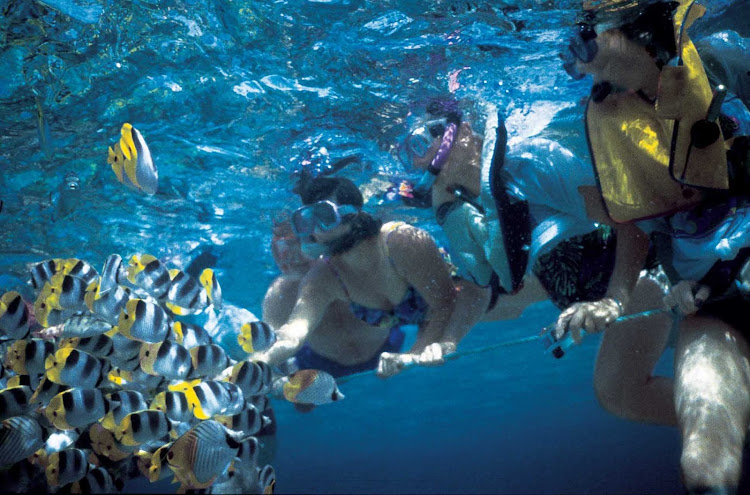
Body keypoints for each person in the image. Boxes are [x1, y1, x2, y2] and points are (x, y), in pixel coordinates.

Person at [556, 1, 750, 492]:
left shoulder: (727, 68)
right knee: (705, 460)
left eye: (586, 34)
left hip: (724, 281)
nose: (575, 55)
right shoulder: (609, 115)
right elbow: (634, 226)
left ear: (634, 29)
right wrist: (613, 301)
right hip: (711, 299)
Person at [398, 99, 675, 424]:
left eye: (420, 143)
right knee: (618, 395)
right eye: (407, 154)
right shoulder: (463, 214)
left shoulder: (531, 162)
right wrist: (447, 342)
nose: (417, 162)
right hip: (617, 309)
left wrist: (613, 300)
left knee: (617, 392)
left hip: (654, 282)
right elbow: (477, 289)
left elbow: (629, 221)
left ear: (462, 132)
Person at [252, 175, 458, 378]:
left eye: (324, 216)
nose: (315, 229)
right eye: (306, 220)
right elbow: (294, 332)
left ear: (353, 212)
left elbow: (447, 303)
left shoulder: (399, 241)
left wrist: (415, 353)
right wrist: (254, 364)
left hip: (472, 301)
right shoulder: (323, 276)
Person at [261, 212, 407, 379]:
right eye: (286, 247)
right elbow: (268, 345)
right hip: (321, 364)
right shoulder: (281, 293)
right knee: (302, 403)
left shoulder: (356, 266)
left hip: (387, 346)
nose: (298, 257)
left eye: (305, 244)